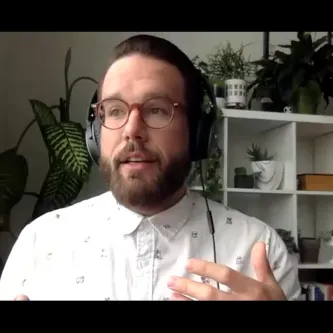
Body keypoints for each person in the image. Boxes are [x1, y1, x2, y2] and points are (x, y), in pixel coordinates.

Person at [0, 34, 301, 301]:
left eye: (157, 109)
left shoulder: (259, 252)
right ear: (95, 133)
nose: (132, 130)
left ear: (197, 132)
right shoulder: (39, 242)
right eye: (115, 110)